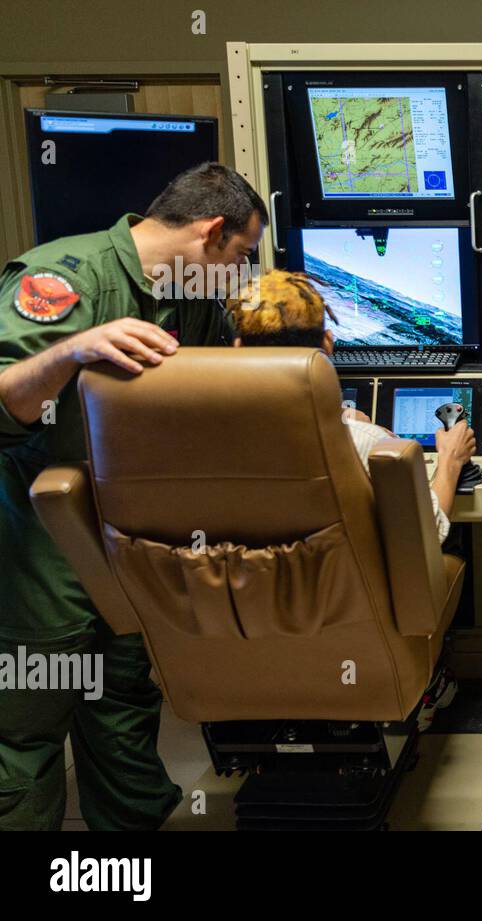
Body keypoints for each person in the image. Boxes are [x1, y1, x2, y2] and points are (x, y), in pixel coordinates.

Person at [0, 162, 266, 830]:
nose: (242, 271)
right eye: (242, 254)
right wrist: (72, 351)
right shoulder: (68, 277)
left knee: (121, 711)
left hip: (126, 545)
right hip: (40, 553)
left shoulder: (196, 301)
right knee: (27, 731)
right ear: (212, 232)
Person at [226, 269, 474, 728]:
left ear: (238, 350)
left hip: (240, 629)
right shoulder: (361, 440)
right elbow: (433, 528)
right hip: (349, 626)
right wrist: (451, 462)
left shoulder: (203, 440)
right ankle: (425, 684)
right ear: (327, 346)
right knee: (450, 559)